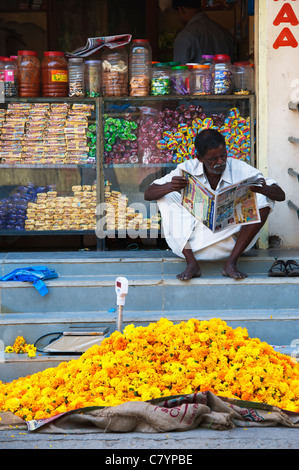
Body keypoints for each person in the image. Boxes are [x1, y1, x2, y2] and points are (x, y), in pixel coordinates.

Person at [144, 129, 285, 281]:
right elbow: (149, 194)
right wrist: (171, 186)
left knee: (264, 199)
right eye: (213, 159)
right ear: (199, 158)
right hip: (192, 243)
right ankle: (191, 264)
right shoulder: (187, 168)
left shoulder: (238, 167)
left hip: (230, 243)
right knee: (166, 197)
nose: (220, 162)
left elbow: (280, 195)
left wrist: (261, 188)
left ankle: (231, 263)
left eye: (223, 155)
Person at [172, 0, 234, 64]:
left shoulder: (185, 37)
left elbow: (180, 71)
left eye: (176, 14)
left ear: (181, 10)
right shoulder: (224, 32)